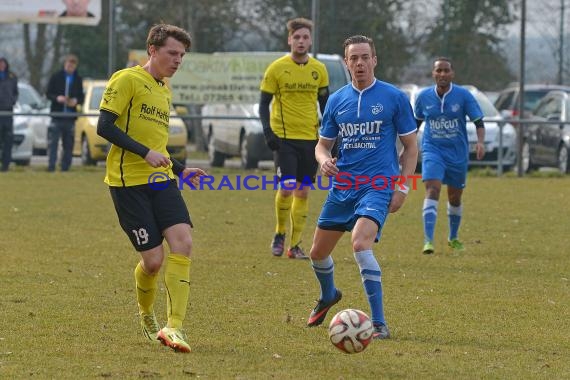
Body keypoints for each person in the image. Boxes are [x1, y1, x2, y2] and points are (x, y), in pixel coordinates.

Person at [96, 24, 206, 353]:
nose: (178, 60)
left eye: (182, 55)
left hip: (162, 181)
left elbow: (156, 143)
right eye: (172, 53)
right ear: (152, 51)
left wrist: (181, 169)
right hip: (127, 183)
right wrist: (145, 153)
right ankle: (146, 314)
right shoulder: (127, 79)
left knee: (183, 242)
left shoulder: (164, 90)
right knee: (154, 262)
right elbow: (104, 126)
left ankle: (174, 327)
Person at [306, 35, 418, 339]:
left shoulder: (393, 97)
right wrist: (324, 159)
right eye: (353, 58)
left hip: (377, 186)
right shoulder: (336, 100)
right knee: (317, 253)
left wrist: (403, 187)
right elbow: (322, 145)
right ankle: (329, 295)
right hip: (342, 187)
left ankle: (379, 322)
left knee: (360, 243)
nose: (359, 63)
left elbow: (410, 147)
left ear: (374, 60)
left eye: (364, 57)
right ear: (346, 63)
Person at [259, 17, 330, 259]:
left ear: (310, 40)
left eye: (305, 37)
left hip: (310, 139)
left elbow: (326, 106)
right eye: (296, 37)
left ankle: (295, 245)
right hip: (284, 139)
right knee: (287, 188)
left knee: (302, 192)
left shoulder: (319, 70)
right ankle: (279, 233)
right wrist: (269, 133)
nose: (301, 41)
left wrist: (331, 137)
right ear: (289, 39)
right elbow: (262, 105)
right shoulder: (276, 68)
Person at [414, 57, 485, 255]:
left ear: (452, 74)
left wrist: (480, 142)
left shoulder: (463, 95)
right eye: (439, 71)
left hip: (457, 153)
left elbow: (479, 122)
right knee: (432, 188)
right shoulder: (423, 97)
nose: (442, 74)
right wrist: (407, 148)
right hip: (432, 149)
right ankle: (428, 241)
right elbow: (415, 124)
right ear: (433, 73)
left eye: (446, 71)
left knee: (454, 197)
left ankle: (453, 237)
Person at [46, 54, 84, 172]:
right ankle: (51, 166)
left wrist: (75, 101)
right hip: (57, 116)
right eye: (68, 64)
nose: (70, 67)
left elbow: (81, 97)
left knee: (68, 144)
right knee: (53, 143)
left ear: (75, 66)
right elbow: (48, 93)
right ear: (65, 64)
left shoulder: (78, 79)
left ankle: (65, 167)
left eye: (72, 65)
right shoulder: (56, 77)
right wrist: (58, 98)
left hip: (70, 117)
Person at [0, 57, 18, 172]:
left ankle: (5, 166)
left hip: (8, 112)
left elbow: (15, 92)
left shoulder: (12, 77)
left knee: (8, 140)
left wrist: (12, 101)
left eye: (3, 63)